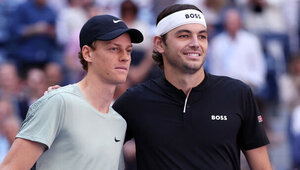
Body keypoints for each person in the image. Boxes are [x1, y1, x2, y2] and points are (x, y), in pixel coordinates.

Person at [113, 4, 272, 169]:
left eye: (202, 36)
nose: (196, 43)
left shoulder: (238, 93)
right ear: (159, 44)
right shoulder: (135, 100)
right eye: (184, 36)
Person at [0, 14, 143, 170]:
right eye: (114, 49)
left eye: (128, 50)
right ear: (87, 53)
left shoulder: (119, 122)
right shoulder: (58, 102)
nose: (125, 57)